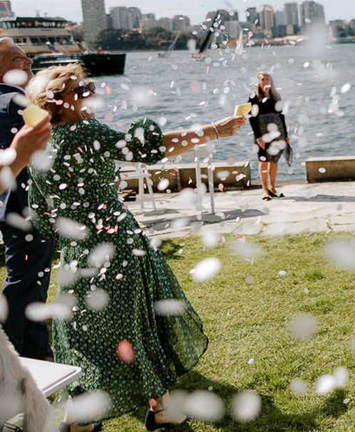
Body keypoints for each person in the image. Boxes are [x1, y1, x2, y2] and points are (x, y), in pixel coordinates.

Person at [25, 64, 245, 432]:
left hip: (76, 254)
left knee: (85, 334)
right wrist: (214, 130)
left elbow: (40, 213)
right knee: (134, 329)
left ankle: (95, 417)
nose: (90, 92)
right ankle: (146, 412)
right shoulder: (84, 131)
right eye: (82, 88)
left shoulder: (39, 142)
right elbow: (149, 147)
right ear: (61, 101)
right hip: (116, 246)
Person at [0, 39, 56, 362]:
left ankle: (37, 351)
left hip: (11, 206)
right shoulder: (17, 101)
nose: (29, 67)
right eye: (20, 61)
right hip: (28, 208)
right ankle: (16, 355)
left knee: (28, 280)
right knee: (26, 283)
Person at [248, 72, 289, 200]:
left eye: (267, 79)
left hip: (277, 131)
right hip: (262, 133)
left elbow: (281, 116)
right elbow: (252, 118)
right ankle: (264, 190)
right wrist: (258, 137)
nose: (265, 81)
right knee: (264, 160)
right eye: (262, 79)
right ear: (259, 82)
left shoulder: (276, 96)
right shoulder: (254, 96)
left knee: (274, 160)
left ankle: (272, 187)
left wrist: (286, 135)